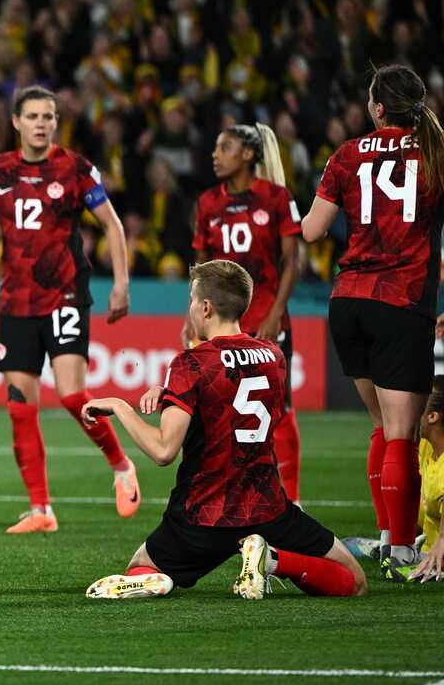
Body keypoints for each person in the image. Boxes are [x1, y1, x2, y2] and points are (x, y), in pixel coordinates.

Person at [0, 86, 138, 535]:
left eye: (48, 116)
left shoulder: (75, 168)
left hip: (66, 293)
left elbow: (111, 223)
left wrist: (122, 282)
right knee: (20, 407)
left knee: (73, 396)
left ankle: (120, 465)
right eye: (32, 115)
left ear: (56, 122)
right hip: (16, 301)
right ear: (16, 121)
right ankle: (41, 510)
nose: (41, 123)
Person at [84, 260, 367, 599]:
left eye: (191, 299)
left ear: (205, 307)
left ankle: (161, 580)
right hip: (267, 509)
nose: (189, 308)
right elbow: (234, 403)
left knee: (141, 565)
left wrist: (120, 407)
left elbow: (163, 450)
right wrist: (172, 393)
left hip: (204, 515)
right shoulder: (274, 356)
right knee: (355, 579)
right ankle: (273, 560)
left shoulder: (191, 363)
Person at [302, 64, 444, 581]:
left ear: (377, 108)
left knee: (382, 428)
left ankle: (387, 537)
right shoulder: (435, 153)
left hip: (348, 302)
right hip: (401, 303)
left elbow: (314, 232)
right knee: (404, 433)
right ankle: (405, 550)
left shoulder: (346, 154)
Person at [192, 123, 303, 501]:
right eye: (215, 147)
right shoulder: (208, 202)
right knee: (219, 413)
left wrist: (276, 312)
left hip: (267, 322)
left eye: (225, 147)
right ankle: (231, 495)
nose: (215, 154)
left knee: (279, 409)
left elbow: (293, 261)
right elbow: (200, 268)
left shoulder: (275, 197)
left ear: (249, 154)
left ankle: (293, 501)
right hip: (220, 326)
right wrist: (190, 318)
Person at [408, 379, 444, 582]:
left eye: (418, 405)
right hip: (422, 545)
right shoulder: (426, 444)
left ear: (432, 416)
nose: (411, 410)